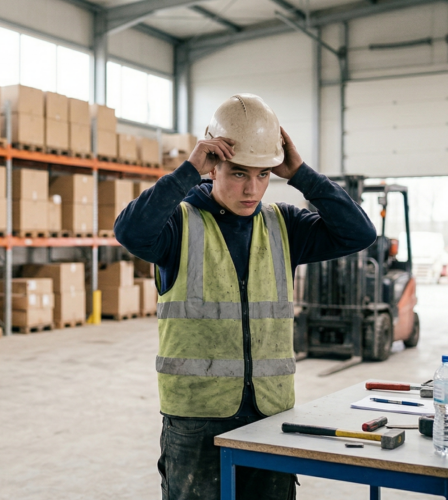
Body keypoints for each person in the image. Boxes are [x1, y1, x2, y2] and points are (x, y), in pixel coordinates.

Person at [114, 94, 377, 500]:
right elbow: (130, 231)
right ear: (213, 165)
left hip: (270, 412)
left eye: (263, 174)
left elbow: (359, 233)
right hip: (196, 417)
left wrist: (301, 174)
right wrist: (186, 172)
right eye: (238, 173)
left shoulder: (284, 225)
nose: (252, 188)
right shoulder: (178, 225)